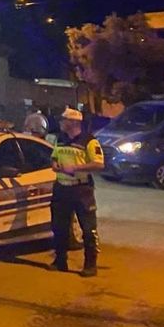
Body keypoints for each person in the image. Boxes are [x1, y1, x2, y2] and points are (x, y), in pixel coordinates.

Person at [50, 106, 104, 277]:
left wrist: (75, 168)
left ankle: (90, 265)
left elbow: (99, 164)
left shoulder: (89, 141)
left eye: (64, 120)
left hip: (81, 189)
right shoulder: (60, 138)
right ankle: (60, 261)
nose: (61, 123)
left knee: (88, 229)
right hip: (61, 187)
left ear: (73, 123)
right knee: (59, 227)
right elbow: (54, 156)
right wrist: (55, 164)